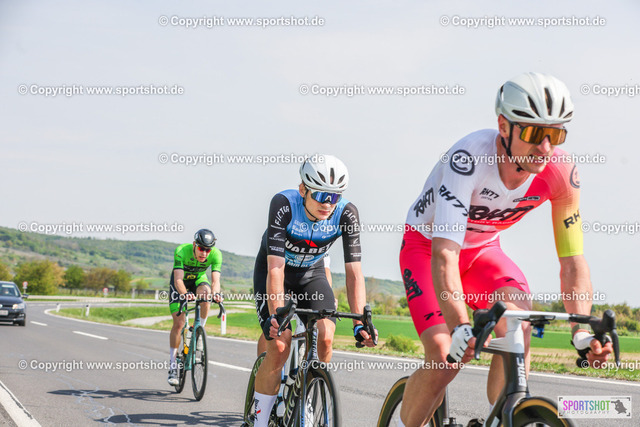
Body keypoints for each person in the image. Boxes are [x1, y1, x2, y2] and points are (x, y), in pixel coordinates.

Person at [397, 72, 613, 426]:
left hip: (483, 252)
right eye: (534, 134)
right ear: (503, 126)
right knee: (445, 354)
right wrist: (460, 325)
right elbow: (445, 254)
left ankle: (506, 418)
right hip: (428, 248)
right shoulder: (469, 159)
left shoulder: (561, 172)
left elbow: (573, 263)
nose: (545, 148)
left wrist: (581, 331)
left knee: (518, 323)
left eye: (556, 135)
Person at [252, 155, 377, 426]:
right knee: (281, 344)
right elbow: (275, 269)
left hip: (311, 274)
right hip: (276, 272)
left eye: (334, 197)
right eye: (320, 195)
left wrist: (360, 322)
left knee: (326, 337)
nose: (327, 204)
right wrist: (277, 316)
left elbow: (354, 273)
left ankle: (308, 399)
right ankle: (259, 420)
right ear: (303, 190)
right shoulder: (283, 204)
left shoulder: (346, 213)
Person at [167, 228, 223, 386]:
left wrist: (216, 294)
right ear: (194, 245)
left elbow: (215, 281)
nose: (204, 253)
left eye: (207, 250)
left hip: (199, 280)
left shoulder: (216, 254)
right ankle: (173, 366)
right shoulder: (181, 251)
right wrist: (185, 294)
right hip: (180, 284)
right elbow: (178, 280)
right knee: (179, 323)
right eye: (201, 248)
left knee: (206, 295)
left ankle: (199, 331)